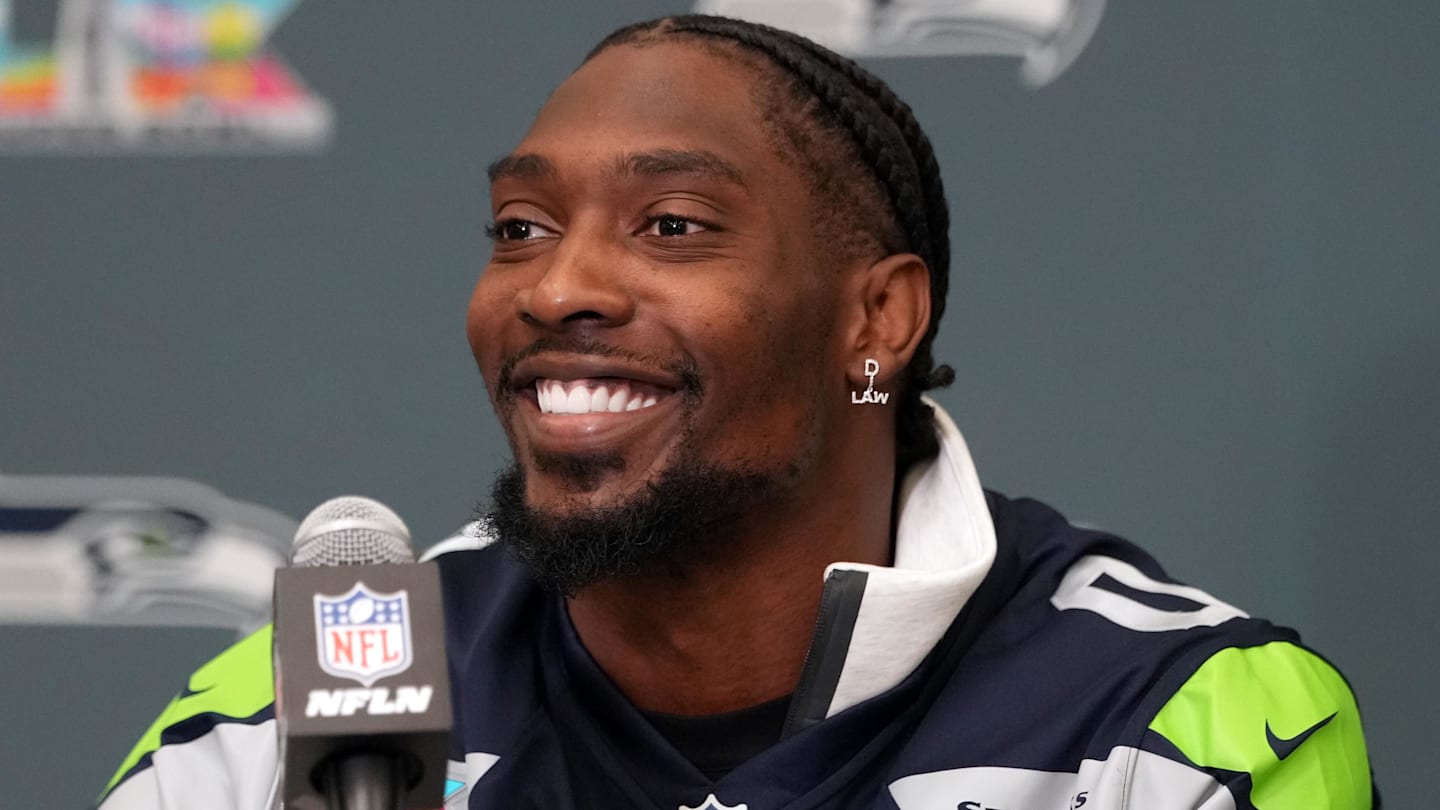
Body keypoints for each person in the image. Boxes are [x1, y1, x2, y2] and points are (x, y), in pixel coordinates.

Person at [96, 15, 1378, 810]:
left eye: (672, 227)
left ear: (875, 322)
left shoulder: (1173, 723)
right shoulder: (304, 708)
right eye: (519, 228)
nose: (556, 286)